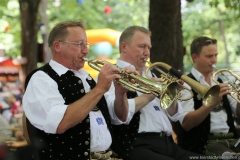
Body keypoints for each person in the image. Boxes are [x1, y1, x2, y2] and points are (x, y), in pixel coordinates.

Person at [22, 20, 137, 160]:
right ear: (58, 46)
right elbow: (60, 123)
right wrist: (100, 88)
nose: (86, 50)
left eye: (86, 44)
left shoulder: (87, 77)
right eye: (79, 44)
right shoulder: (41, 78)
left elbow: (120, 118)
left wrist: (120, 93)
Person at [100, 26, 202, 160]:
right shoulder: (111, 74)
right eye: (142, 46)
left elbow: (175, 116)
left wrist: (172, 92)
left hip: (168, 143)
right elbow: (116, 115)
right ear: (124, 47)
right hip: (136, 145)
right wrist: (151, 93)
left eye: (149, 47)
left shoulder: (151, 74)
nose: (147, 52)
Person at [176, 36, 240, 157]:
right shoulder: (186, 83)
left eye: (216, 55)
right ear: (195, 57)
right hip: (206, 143)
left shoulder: (220, 80)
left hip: (232, 139)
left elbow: (238, 112)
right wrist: (211, 103)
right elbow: (186, 123)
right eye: (209, 56)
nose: (214, 60)